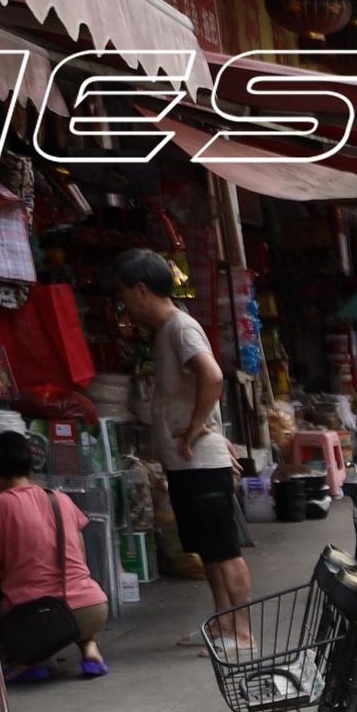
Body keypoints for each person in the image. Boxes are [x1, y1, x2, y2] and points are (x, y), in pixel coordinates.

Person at [111, 248, 253, 652]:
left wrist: (194, 430)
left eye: (124, 293)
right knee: (209, 549)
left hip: (199, 460)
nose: (123, 302)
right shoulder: (169, 331)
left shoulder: (180, 328)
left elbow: (212, 375)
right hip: (189, 461)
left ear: (141, 290)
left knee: (223, 548)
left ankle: (242, 632)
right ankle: (223, 626)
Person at [0, 428, 109, 681]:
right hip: (92, 608)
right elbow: (79, 555)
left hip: (39, 620)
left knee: (8, 604)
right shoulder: (60, 498)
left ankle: (32, 660)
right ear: (29, 467)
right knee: (69, 593)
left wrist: (11, 586)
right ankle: (90, 650)